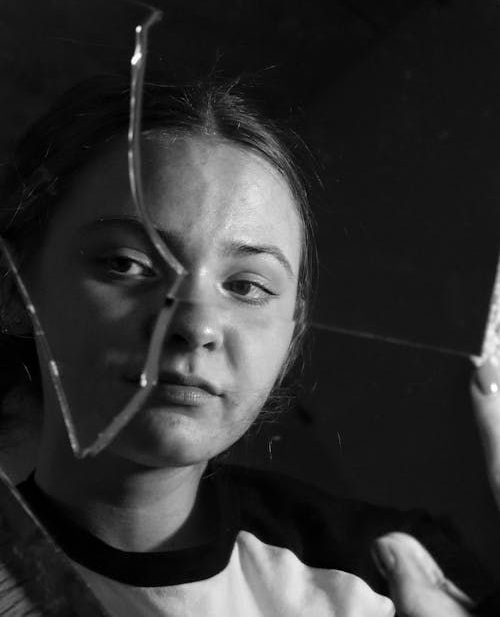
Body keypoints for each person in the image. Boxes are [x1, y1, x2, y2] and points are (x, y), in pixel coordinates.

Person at [0, 74, 499, 616]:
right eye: (127, 264)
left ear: (292, 332)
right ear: (13, 288)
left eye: (247, 287)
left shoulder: (388, 577)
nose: (195, 326)